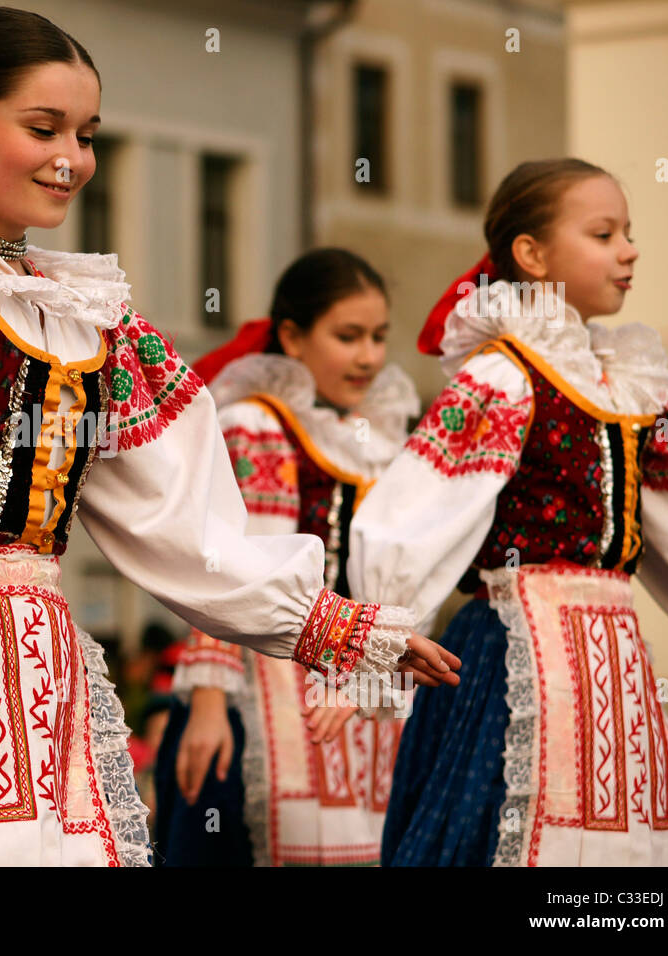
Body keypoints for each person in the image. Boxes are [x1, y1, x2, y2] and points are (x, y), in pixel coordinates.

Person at [0, 6, 458, 868]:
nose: (72, 158)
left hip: (41, 677)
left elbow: (179, 522)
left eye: (86, 133)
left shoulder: (90, 321)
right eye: (44, 128)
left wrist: (330, 624)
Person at [350, 158, 668, 866]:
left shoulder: (635, 389)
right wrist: (374, 641)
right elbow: (417, 511)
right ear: (531, 254)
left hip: (614, 663)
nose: (629, 250)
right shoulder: (505, 373)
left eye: (629, 233)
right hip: (516, 655)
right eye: (604, 233)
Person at [156, 249, 420, 866]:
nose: (369, 357)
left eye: (379, 337)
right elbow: (228, 568)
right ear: (294, 337)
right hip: (273, 679)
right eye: (348, 336)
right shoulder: (259, 423)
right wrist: (209, 702)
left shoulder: (370, 435)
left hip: (359, 679)